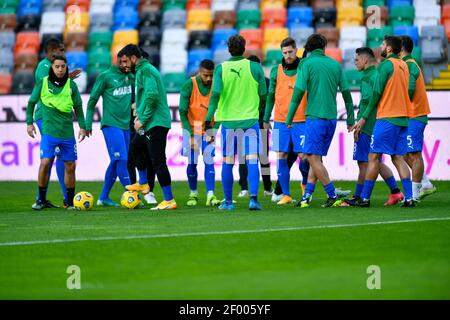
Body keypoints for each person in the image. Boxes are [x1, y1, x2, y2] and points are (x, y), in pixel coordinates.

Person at [286, 33, 355, 208]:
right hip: (331, 119)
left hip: (315, 118)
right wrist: (351, 118)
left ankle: (332, 195)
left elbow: (298, 92)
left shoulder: (306, 64)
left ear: (308, 48)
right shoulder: (335, 65)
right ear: (324, 47)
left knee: (312, 158)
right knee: (315, 158)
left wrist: (289, 116)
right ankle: (307, 196)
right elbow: (347, 94)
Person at [205, 35, 267, 210]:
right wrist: (256, 107)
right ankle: (253, 200)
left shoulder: (221, 69)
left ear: (228, 49)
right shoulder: (255, 67)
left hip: (229, 123)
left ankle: (228, 202)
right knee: (252, 161)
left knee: (228, 162)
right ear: (244, 47)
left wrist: (208, 121)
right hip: (250, 121)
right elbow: (264, 94)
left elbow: (215, 96)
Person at [352, 36, 414, 207]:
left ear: (389, 49)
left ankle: (364, 198)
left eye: (383, 45)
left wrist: (364, 117)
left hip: (387, 117)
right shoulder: (403, 65)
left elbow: (376, 94)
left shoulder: (385, 65)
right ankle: (409, 198)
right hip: (403, 118)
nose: (380, 47)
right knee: (398, 158)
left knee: (372, 157)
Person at [343, 47, 404, 206]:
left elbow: (369, 102)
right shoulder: (375, 74)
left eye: (356, 59)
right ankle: (396, 192)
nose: (355, 62)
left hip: (368, 125)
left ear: (364, 60)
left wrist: (360, 122)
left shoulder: (369, 77)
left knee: (364, 162)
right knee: (375, 161)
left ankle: (358, 196)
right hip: (377, 123)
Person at [118, 44, 176, 210]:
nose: (123, 65)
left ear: (134, 58)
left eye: (125, 61)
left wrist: (142, 119)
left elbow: (151, 95)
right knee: (135, 147)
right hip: (151, 120)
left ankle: (169, 200)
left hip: (155, 122)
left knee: (158, 161)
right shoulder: (143, 70)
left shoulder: (146, 70)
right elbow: (147, 96)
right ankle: (143, 183)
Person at [26, 54, 87, 210]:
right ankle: (40, 199)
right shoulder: (43, 83)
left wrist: (82, 126)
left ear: (66, 67)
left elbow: (78, 107)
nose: (60, 69)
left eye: (63, 66)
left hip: (67, 133)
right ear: (52, 68)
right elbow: (31, 103)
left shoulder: (71, 86)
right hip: (49, 132)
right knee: (45, 162)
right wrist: (29, 124)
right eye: (57, 66)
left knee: (70, 165)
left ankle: (70, 202)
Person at [263, 37, 310, 205]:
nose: (288, 55)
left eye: (290, 51)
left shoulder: (304, 67)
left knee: (304, 156)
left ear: (296, 49)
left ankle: (305, 184)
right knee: (281, 155)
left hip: (301, 120)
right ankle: (286, 195)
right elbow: (270, 97)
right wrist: (266, 118)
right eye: (285, 52)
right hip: (280, 120)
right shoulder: (276, 71)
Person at [85, 52, 134, 206]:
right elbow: (92, 100)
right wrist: (87, 124)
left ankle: (103, 197)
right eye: (124, 62)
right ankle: (132, 195)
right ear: (118, 61)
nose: (127, 65)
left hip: (126, 126)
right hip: (111, 125)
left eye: (129, 62)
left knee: (115, 161)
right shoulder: (105, 76)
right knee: (122, 160)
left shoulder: (130, 77)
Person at [179, 59, 221, 206]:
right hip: (191, 129)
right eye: (205, 75)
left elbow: (221, 111)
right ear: (199, 72)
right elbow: (182, 112)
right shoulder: (189, 85)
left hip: (208, 130)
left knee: (209, 162)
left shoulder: (217, 85)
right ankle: (193, 193)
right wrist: (189, 136)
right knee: (192, 163)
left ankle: (211, 195)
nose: (208, 78)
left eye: (211, 75)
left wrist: (213, 132)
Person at [399, 36, 436, 201]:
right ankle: (425, 183)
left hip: (415, 114)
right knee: (404, 152)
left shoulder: (409, 65)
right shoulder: (409, 64)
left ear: (400, 48)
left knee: (414, 154)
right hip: (410, 116)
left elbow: (410, 86)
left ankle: (414, 195)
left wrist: (403, 96)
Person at [237, 54, 273, 199]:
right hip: (260, 121)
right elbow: (269, 102)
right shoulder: (267, 82)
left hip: (245, 121)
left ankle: (245, 188)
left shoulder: (242, 83)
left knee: (244, 156)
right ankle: (267, 187)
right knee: (262, 156)